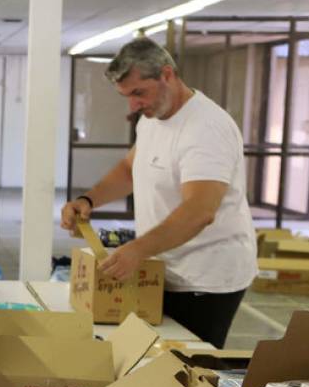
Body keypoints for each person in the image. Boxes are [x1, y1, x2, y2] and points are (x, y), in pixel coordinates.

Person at [59, 38, 255, 349]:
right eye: (126, 96)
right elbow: (129, 169)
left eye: (139, 93)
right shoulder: (153, 119)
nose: (134, 105)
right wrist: (88, 200)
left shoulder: (205, 129)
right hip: (165, 268)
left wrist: (137, 249)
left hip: (204, 278)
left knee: (186, 373)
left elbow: (200, 210)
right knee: (150, 361)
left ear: (167, 75)